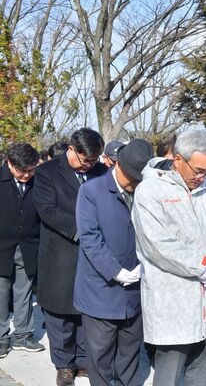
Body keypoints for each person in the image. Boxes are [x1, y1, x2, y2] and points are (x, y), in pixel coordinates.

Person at [132, 130, 206, 386]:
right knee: (168, 374)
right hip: (173, 302)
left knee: (202, 375)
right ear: (178, 159)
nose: (202, 177)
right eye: (198, 170)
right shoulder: (150, 191)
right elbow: (158, 244)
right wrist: (201, 266)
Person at [73, 139, 153, 385]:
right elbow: (90, 238)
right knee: (100, 358)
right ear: (119, 166)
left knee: (129, 357)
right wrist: (115, 271)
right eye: (133, 179)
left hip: (136, 291)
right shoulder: (91, 191)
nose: (136, 185)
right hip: (100, 292)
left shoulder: (146, 191)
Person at [33, 128, 107, 386]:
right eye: (84, 160)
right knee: (59, 313)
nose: (88, 165)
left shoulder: (100, 172)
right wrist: (82, 231)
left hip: (93, 254)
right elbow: (47, 210)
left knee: (86, 312)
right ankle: (64, 364)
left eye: (93, 161)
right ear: (71, 150)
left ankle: (85, 360)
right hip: (61, 251)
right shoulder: (47, 172)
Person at [0, 143, 45, 359]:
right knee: (0, 292)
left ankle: (23, 334)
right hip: (2, 246)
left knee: (24, 290)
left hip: (28, 245)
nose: (27, 175)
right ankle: (1, 337)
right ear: (9, 164)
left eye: (31, 170)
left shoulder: (39, 182)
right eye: (22, 170)